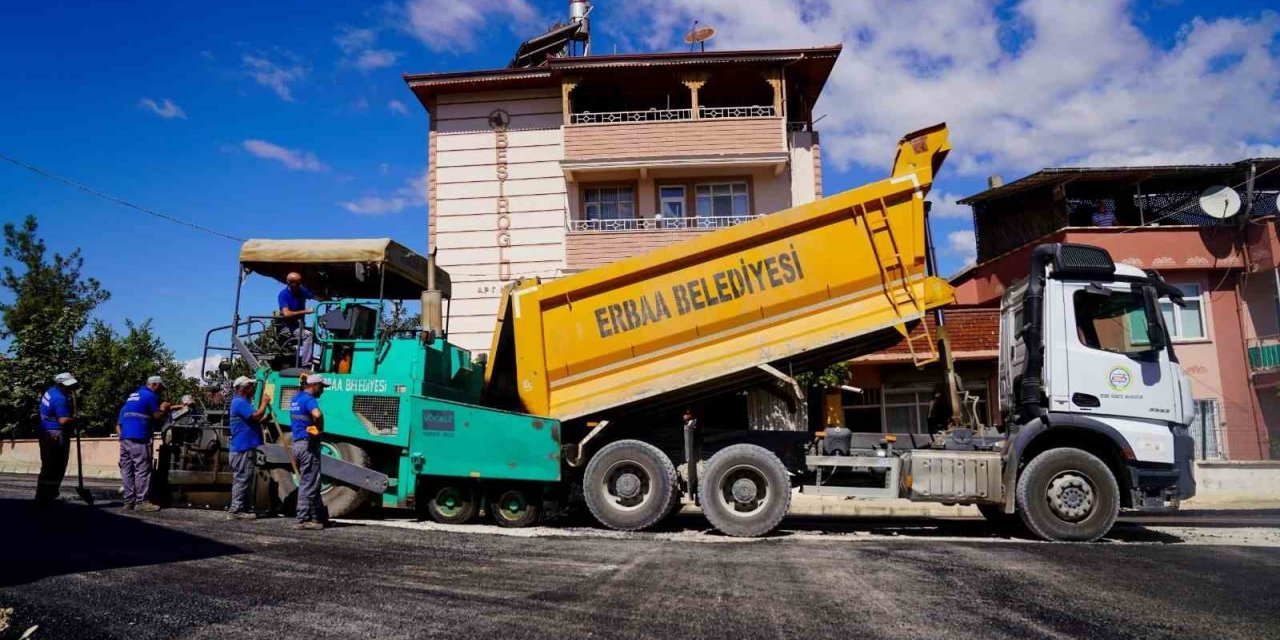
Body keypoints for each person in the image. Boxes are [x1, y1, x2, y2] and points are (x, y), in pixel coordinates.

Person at [117, 375, 172, 512]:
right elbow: (157, 416)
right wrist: (163, 408)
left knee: (127, 470)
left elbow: (120, 421)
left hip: (125, 437)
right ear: (155, 385)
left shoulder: (132, 397)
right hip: (139, 436)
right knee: (142, 469)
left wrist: (122, 436)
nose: (160, 391)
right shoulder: (150, 395)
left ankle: (128, 501)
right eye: (160, 388)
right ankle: (142, 501)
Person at [289, 373, 331, 530]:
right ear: (315, 385)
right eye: (322, 387)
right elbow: (317, 414)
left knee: (313, 482)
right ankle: (302, 519)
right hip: (308, 445)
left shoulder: (296, 399)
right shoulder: (309, 399)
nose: (323, 390)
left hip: (297, 444)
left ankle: (318, 517)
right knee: (308, 483)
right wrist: (319, 428)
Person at [228, 376, 271, 519]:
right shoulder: (240, 402)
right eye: (251, 386)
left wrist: (266, 418)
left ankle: (243, 508)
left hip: (244, 446)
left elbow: (253, 420)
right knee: (242, 478)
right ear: (245, 388)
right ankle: (236, 510)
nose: (253, 389)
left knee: (246, 478)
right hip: (242, 447)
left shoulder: (243, 402)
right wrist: (264, 403)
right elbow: (256, 416)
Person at [35, 372, 78, 506]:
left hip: (44, 431)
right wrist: (76, 420)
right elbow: (63, 420)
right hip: (56, 434)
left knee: (47, 466)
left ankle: (41, 495)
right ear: (61, 385)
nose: (71, 388)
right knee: (57, 466)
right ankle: (49, 494)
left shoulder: (50, 392)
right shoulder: (60, 398)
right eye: (68, 385)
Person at [277, 272, 328, 367]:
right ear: (290, 284)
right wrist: (306, 311)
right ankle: (305, 365)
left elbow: (315, 297)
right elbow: (286, 313)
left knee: (321, 336)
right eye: (297, 284)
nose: (299, 285)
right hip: (288, 328)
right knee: (308, 335)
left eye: (300, 283)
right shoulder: (283, 295)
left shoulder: (301, 290)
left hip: (300, 326)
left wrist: (328, 300)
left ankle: (323, 364)